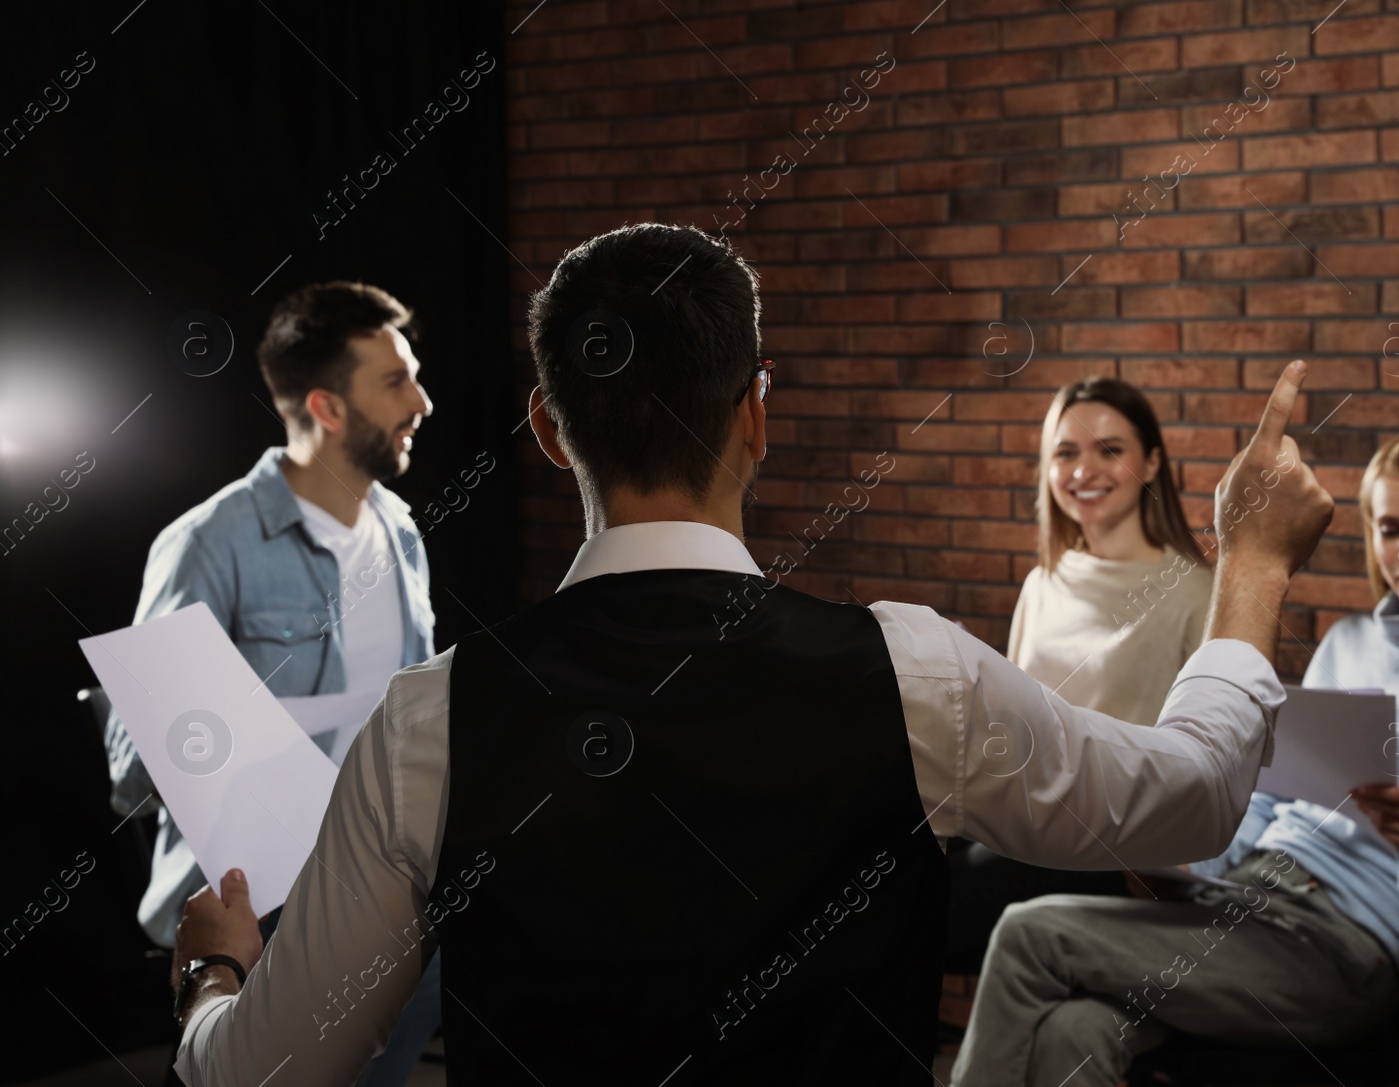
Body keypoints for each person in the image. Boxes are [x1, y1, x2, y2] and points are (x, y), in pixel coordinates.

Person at [164, 223, 1333, 1086]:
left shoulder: (430, 719)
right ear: (755, 414)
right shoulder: (913, 670)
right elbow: (1191, 798)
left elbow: (256, 1076)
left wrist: (213, 975)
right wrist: (1254, 561)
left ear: (544, 427)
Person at [949, 425, 1399, 1087]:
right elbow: (1268, 798)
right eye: (1389, 529)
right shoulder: (1347, 641)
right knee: (1078, 1028)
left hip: (1347, 949)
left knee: (1029, 931)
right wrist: (1184, 861)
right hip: (1246, 904)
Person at [101, 281, 445, 1086]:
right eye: (395, 381)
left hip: (392, 892)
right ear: (326, 408)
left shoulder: (401, 530)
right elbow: (134, 761)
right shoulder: (207, 543)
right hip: (266, 916)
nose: (422, 402)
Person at [945, 378, 1217, 972]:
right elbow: (1009, 732)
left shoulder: (1195, 593)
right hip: (1019, 822)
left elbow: (1216, 760)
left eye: (1109, 450)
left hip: (1113, 852)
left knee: (912, 911)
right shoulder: (1044, 583)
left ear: (1151, 462)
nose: (1083, 469)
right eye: (1066, 452)